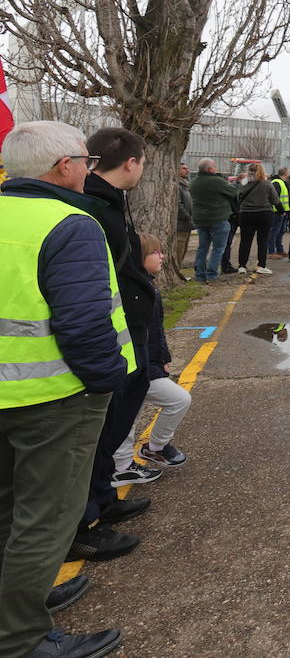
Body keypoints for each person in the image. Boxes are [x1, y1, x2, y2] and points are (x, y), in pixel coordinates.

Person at [0, 121, 133, 658]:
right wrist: (105, 383)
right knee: (47, 519)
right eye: (85, 159)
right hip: (53, 398)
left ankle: (18, 602)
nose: (88, 167)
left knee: (9, 510)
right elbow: (84, 323)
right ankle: (20, 639)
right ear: (63, 167)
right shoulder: (69, 224)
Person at [72, 127, 159, 561]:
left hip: (130, 329)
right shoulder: (91, 207)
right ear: (131, 162)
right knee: (100, 429)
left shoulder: (107, 201)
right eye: (142, 161)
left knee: (117, 423)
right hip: (112, 333)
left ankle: (104, 500)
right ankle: (86, 522)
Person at [111, 233, 191, 485]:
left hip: (147, 364)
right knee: (175, 400)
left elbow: (156, 330)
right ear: (139, 256)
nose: (163, 257)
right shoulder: (133, 292)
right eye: (156, 252)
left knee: (133, 412)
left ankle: (136, 457)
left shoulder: (147, 287)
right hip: (136, 366)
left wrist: (162, 358)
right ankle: (131, 460)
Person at [190, 159, 236, 282]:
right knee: (218, 248)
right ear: (210, 169)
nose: (216, 168)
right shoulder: (217, 181)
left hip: (200, 218)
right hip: (218, 217)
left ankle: (200, 274)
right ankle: (212, 273)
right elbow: (233, 192)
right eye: (215, 166)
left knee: (203, 247)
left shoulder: (194, 182)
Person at [236, 163, 281, 274]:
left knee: (245, 240)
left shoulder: (243, 184)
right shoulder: (267, 184)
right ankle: (261, 265)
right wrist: (282, 211)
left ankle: (242, 266)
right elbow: (275, 200)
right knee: (262, 240)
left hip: (246, 214)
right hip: (264, 214)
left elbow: (238, 198)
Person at [174, 163, 193, 280]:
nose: (187, 170)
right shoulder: (177, 185)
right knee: (178, 251)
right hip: (180, 224)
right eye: (184, 168)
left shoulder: (185, 185)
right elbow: (178, 205)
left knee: (184, 250)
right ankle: (178, 273)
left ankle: (179, 273)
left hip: (187, 225)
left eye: (187, 168)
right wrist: (187, 216)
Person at [268, 167, 290, 259]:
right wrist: (281, 210)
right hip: (277, 212)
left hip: (281, 211)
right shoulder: (277, 183)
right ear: (285, 174)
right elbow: (275, 199)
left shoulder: (279, 182)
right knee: (274, 232)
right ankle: (271, 251)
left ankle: (279, 250)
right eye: (287, 173)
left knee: (280, 232)